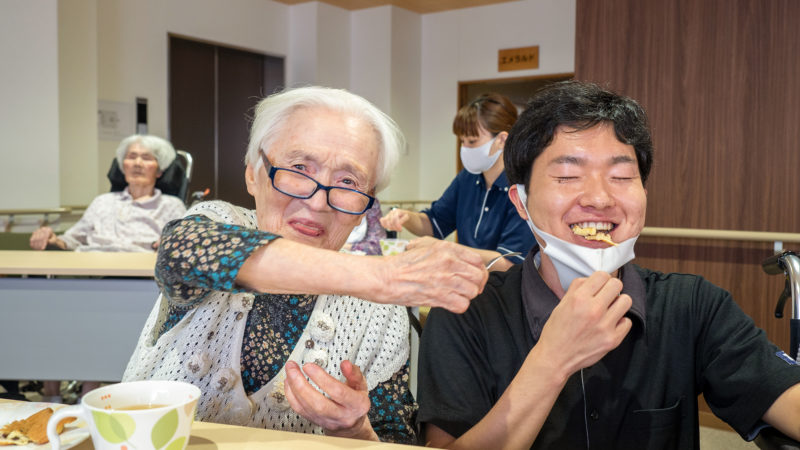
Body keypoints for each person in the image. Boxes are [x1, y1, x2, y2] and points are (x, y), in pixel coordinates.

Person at [416, 81, 800, 449]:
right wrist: (553, 361)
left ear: (643, 194)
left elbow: (785, 397)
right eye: (567, 175)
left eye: (621, 176)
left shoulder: (694, 305)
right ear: (521, 201)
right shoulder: (465, 313)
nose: (599, 198)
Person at [122, 86, 488, 444]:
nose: (318, 202)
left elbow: (394, 436)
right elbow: (182, 250)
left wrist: (354, 432)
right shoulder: (217, 221)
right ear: (253, 173)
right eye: (299, 167)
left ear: (369, 201)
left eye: (348, 181)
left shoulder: (383, 314)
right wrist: (383, 277)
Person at [380, 93, 535, 271]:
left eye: (472, 141)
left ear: (501, 140)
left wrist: (445, 249)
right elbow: (433, 224)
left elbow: (507, 263)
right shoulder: (467, 179)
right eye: (462, 141)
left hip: (505, 292)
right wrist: (407, 217)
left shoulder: (521, 188)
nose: (465, 148)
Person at [29, 134, 187, 252]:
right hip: (94, 270)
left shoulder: (171, 205)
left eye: (146, 158)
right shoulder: (103, 201)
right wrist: (52, 238)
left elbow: (182, 245)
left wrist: (170, 245)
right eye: (131, 157)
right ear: (122, 166)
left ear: (159, 170)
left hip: (142, 275)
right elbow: (73, 239)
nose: (137, 164)